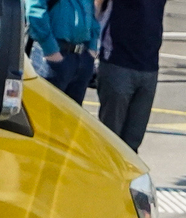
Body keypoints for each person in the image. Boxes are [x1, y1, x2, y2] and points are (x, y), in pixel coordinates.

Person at [95, 0, 165, 150]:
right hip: (118, 62)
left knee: (133, 141)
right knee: (110, 139)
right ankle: (106, 173)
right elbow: (96, 6)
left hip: (149, 66)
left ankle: (126, 173)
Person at [28, 0, 101, 105]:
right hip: (52, 57)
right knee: (44, 112)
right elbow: (35, 12)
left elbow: (92, 14)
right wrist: (51, 52)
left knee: (72, 117)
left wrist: (91, 50)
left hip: (81, 58)